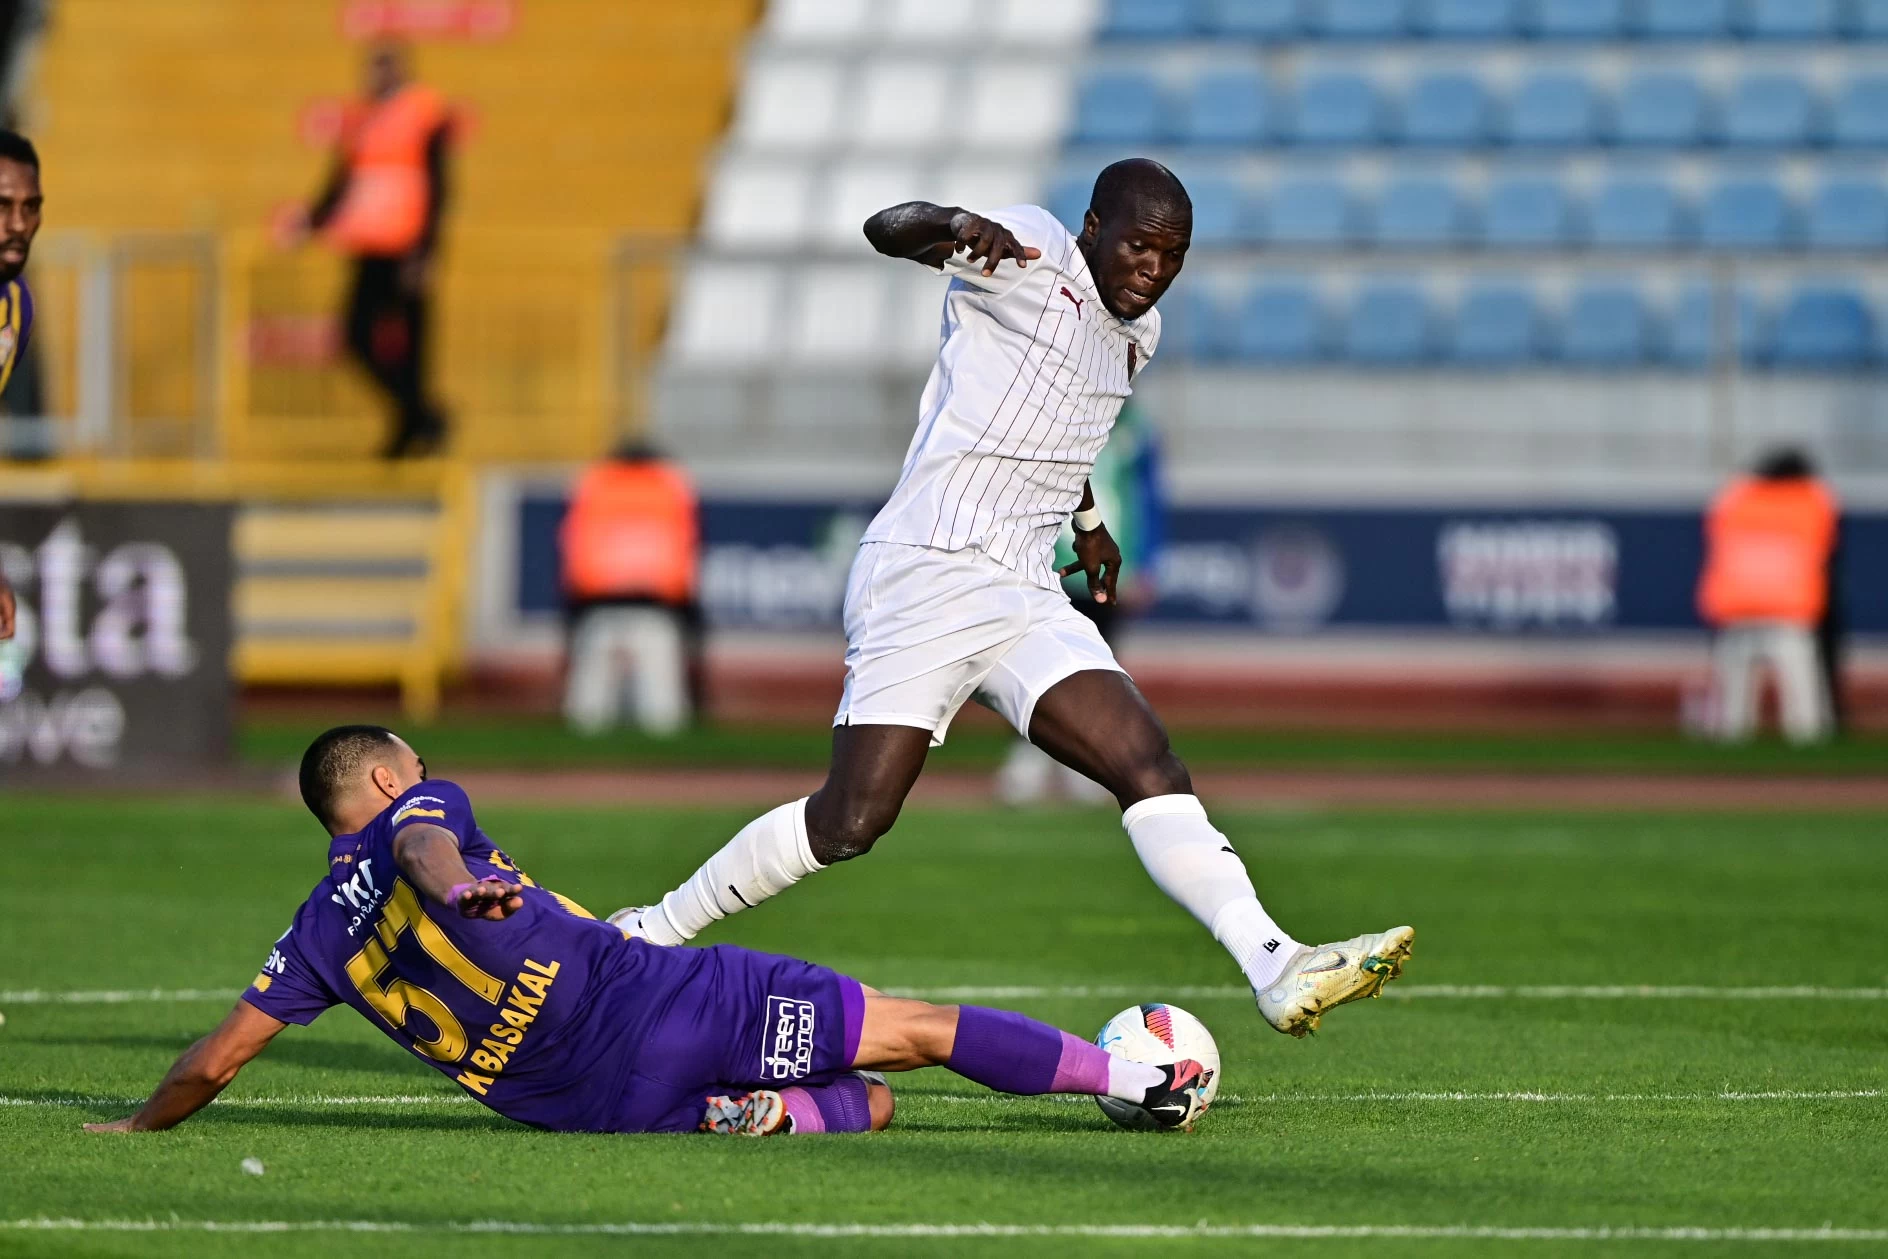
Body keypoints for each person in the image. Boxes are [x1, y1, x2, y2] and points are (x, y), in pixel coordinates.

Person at [610, 160, 1413, 1038]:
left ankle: (1275, 961)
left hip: (1026, 586)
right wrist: (952, 222)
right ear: (1095, 227)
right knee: (851, 820)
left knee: (1147, 759)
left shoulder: (1140, 335)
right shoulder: (1030, 251)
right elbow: (890, 227)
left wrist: (1093, 522)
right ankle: (650, 931)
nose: (1153, 268)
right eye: (1140, 245)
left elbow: (1066, 428)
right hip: (928, 568)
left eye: (1173, 255)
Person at [82, 726, 1212, 1137]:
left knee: (868, 1104)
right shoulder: (423, 815)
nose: (427, 776)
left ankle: (749, 1115)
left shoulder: (310, 934)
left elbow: (216, 1059)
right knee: (913, 1030)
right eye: (413, 765)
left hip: (588, 1109)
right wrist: (446, 884)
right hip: (659, 1002)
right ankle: (1134, 1073)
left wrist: (138, 1122)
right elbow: (424, 851)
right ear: (383, 777)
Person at [997, 399, 1164, 805]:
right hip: (1050, 563)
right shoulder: (1056, 420)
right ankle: (1029, 758)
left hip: (1107, 564)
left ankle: (1086, 764)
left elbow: (1148, 500)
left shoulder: (1137, 432)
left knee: (1099, 665)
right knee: (1033, 662)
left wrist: (1147, 560)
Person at [297, 44, 450, 458]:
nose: (377, 75)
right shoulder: (362, 120)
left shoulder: (423, 112)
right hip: (369, 247)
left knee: (414, 349)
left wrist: (427, 251)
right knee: (356, 338)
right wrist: (310, 222)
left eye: (385, 65)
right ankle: (422, 415)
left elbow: (439, 187)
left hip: (406, 249)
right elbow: (342, 183)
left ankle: (411, 429)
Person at [1697, 447, 1840, 744]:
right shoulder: (1810, 501)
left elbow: (1718, 510)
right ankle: (1808, 751)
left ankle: (1731, 755)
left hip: (1739, 609)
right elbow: (1828, 526)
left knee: (1734, 709)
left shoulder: (1737, 500)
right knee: (1803, 706)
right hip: (1789, 612)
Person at [559, 443, 701, 736]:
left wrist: (574, 605)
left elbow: (574, 547)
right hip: (656, 608)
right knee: (663, 709)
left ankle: (582, 769)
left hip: (599, 605)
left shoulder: (595, 484)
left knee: (588, 709)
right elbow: (687, 550)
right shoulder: (670, 485)